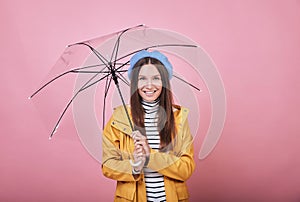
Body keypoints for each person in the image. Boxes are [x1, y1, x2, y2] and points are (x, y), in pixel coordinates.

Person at [102, 50, 195, 202]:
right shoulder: (119, 118)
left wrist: (150, 157)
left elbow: (186, 169)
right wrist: (134, 167)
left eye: (156, 78)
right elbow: (108, 165)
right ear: (135, 83)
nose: (149, 85)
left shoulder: (179, 118)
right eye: (142, 78)